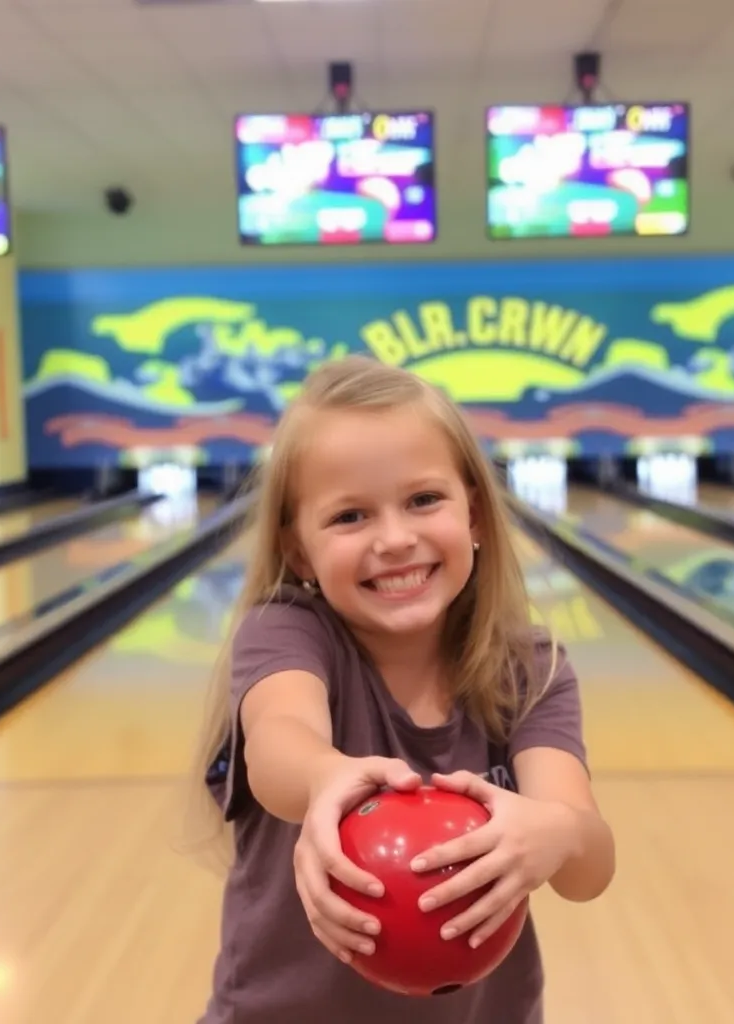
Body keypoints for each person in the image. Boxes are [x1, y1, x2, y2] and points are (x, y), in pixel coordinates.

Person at [184, 355, 615, 1024]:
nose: (394, 539)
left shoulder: (529, 667)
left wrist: (556, 832)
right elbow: (278, 743)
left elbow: (588, 866)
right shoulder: (286, 633)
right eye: (350, 517)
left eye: (423, 500)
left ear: (473, 513)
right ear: (299, 552)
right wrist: (328, 777)